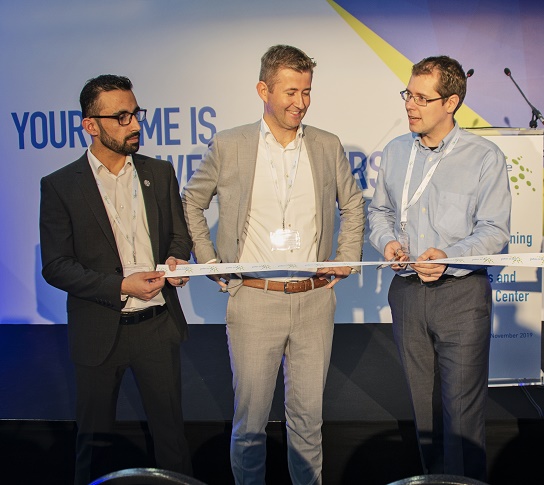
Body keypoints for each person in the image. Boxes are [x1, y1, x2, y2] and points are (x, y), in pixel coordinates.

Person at [182, 45, 365, 485]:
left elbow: (353, 203)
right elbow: (192, 200)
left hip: (314, 300)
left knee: (308, 423)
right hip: (254, 299)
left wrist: (346, 258)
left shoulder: (326, 144)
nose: (299, 102)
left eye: (306, 91)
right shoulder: (229, 144)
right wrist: (209, 262)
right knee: (249, 425)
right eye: (290, 91)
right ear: (263, 89)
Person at [40, 75, 194, 485]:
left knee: (172, 441)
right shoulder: (59, 186)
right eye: (121, 116)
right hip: (98, 329)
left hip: (157, 327)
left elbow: (179, 236)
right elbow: (55, 265)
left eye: (136, 113)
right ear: (91, 124)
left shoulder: (159, 173)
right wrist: (121, 286)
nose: (135, 124)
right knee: (93, 443)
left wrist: (176, 259)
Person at [368, 56, 511, 481]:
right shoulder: (395, 152)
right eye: (408, 94)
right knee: (423, 410)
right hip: (408, 292)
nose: (410, 105)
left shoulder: (484, 156)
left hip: (461, 296)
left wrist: (447, 257)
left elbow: (495, 231)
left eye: (422, 98)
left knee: (462, 415)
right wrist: (388, 241)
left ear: (451, 102)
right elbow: (378, 212)